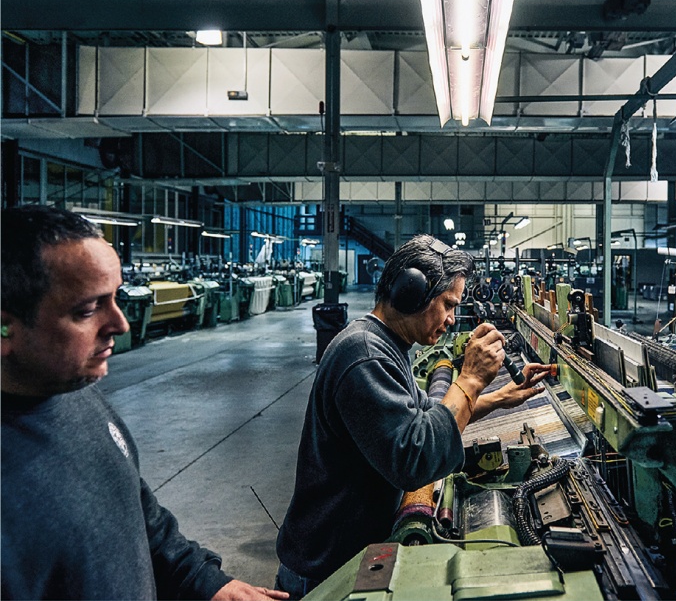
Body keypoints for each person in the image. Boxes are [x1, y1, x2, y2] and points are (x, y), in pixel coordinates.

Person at [0, 205, 287, 601]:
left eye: (115, 298)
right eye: (87, 309)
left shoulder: (77, 396)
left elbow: (135, 511)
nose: (121, 324)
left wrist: (205, 582)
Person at [275, 235, 550, 597]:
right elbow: (415, 459)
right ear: (411, 292)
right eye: (448, 304)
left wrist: (498, 397)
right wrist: (468, 379)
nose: (452, 320)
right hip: (323, 572)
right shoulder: (364, 356)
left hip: (344, 554)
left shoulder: (386, 344)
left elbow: (426, 414)